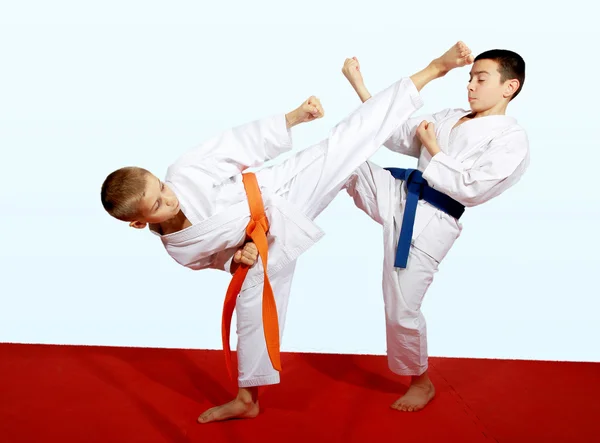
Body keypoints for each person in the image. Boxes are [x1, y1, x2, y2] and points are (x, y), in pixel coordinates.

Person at [100, 41, 474, 423]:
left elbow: (233, 146)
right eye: (158, 205)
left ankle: (431, 70)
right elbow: (216, 258)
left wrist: (293, 118)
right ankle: (248, 398)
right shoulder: (178, 248)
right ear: (139, 222)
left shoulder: (183, 172)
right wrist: (235, 258)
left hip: (279, 191)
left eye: (161, 186)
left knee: (345, 143)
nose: (170, 198)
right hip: (261, 247)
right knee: (252, 315)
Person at [336, 45, 529, 412]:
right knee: (343, 157)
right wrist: (359, 86)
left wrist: (434, 150)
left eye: (480, 78)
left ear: (509, 87)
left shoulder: (511, 139)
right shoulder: (452, 116)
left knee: (401, 308)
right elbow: (393, 133)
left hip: (433, 217)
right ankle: (276, 220)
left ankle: (420, 382)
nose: (470, 85)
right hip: (398, 191)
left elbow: (473, 188)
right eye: (469, 77)